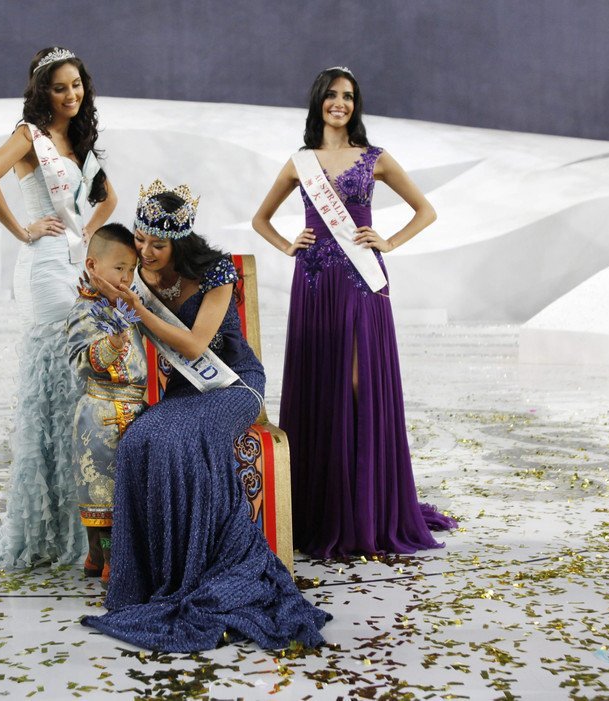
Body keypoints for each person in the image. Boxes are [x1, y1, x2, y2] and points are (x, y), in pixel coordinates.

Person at [82, 180, 329, 652]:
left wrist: (137, 308)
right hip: (183, 391)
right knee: (139, 439)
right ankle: (150, 577)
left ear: (180, 242)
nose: (145, 252)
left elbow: (196, 346)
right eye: (140, 239)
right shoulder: (136, 272)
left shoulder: (217, 271)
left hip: (231, 385)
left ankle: (202, 567)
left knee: (182, 439)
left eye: (158, 245)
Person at [251, 66, 457, 558]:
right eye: (331, 95)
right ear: (318, 102)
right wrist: (288, 245)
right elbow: (261, 219)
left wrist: (390, 241)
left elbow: (425, 211)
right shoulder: (300, 162)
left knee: (361, 383)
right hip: (315, 282)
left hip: (363, 281)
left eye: (347, 96)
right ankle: (323, 507)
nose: (339, 103)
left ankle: (367, 506)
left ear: (355, 104)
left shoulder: (375, 157)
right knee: (322, 383)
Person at [0, 46, 116, 569]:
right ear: (42, 91)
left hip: (74, 263)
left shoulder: (80, 139)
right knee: (57, 385)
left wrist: (87, 235)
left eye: (76, 85)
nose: (71, 95)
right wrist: (22, 229)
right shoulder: (30, 136)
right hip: (44, 269)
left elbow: (108, 199)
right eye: (60, 87)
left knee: (79, 390)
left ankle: (84, 524)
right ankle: (50, 528)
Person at [65, 224, 148, 585]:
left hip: (130, 409)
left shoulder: (123, 303)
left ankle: (97, 558)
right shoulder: (84, 310)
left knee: (117, 491)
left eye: (131, 269)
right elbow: (81, 359)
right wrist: (112, 344)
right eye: (119, 268)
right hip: (100, 412)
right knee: (101, 493)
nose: (126, 277)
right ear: (92, 265)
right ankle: (111, 563)